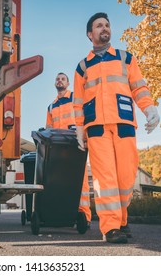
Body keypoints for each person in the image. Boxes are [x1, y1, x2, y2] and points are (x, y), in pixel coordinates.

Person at [73, 12, 160, 243]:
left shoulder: (126, 58)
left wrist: (149, 108)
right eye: (99, 26)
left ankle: (121, 220)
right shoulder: (82, 67)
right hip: (97, 128)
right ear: (90, 34)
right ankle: (110, 228)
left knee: (125, 177)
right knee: (105, 179)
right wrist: (79, 129)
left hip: (124, 125)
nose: (105, 28)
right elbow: (78, 102)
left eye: (107, 25)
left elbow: (139, 88)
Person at [46, 72, 92, 228]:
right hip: (58, 147)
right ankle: (63, 214)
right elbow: (48, 128)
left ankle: (84, 216)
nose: (60, 81)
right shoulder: (51, 106)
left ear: (68, 83)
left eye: (63, 79)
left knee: (81, 180)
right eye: (57, 79)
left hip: (75, 142)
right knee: (60, 180)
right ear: (55, 83)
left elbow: (85, 115)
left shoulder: (75, 98)